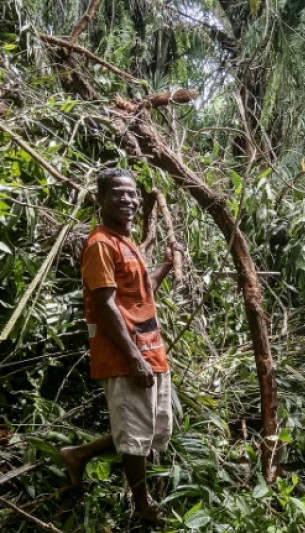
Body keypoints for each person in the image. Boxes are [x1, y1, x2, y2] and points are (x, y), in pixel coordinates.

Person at [59, 168, 184, 524]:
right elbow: (105, 304)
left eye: (132, 194)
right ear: (100, 199)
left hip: (151, 349)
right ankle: (143, 506)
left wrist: (163, 264)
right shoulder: (101, 244)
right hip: (125, 354)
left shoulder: (126, 241)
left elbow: (141, 294)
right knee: (134, 435)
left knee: (151, 429)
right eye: (118, 193)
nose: (128, 200)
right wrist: (133, 358)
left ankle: (79, 454)